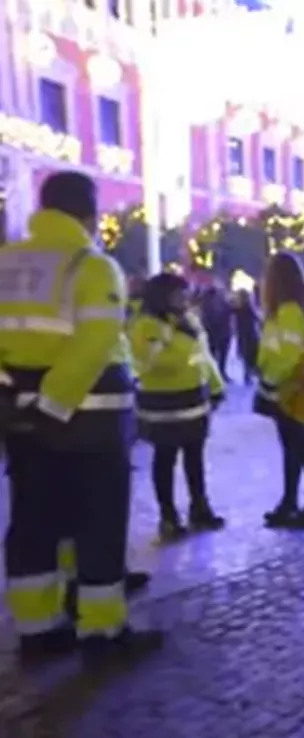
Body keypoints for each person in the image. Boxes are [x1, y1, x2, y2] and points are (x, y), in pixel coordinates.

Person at [0, 171, 163, 670]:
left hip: (20, 419)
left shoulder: (6, 262)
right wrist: (53, 402)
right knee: (98, 522)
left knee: (33, 521)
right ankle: (102, 629)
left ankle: (38, 630)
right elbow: (95, 342)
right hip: (88, 422)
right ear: (90, 216)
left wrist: (17, 396)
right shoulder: (92, 266)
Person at [129, 273, 227, 541]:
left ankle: (200, 507)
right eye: (178, 294)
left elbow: (203, 356)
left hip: (194, 400)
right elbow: (148, 362)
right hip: (163, 403)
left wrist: (217, 387)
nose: (184, 298)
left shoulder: (190, 321)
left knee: (195, 459)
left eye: (185, 293)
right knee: (165, 459)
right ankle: (168, 516)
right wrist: (170, 336)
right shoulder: (147, 325)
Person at [254, 253, 304, 529]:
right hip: (283, 387)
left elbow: (290, 353)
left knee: (302, 446)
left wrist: (273, 379)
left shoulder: (290, 313)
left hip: (291, 387)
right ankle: (290, 502)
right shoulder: (282, 312)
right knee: (292, 447)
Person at [200, 286, 233, 382]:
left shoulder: (206, 302)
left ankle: (217, 375)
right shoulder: (221, 301)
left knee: (214, 355)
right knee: (220, 356)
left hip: (215, 333)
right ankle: (220, 374)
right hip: (220, 332)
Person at [232, 288, 260, 385]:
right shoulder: (248, 307)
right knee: (250, 356)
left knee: (247, 356)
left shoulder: (240, 307)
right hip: (249, 334)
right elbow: (257, 319)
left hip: (244, 335)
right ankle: (249, 375)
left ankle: (248, 375)